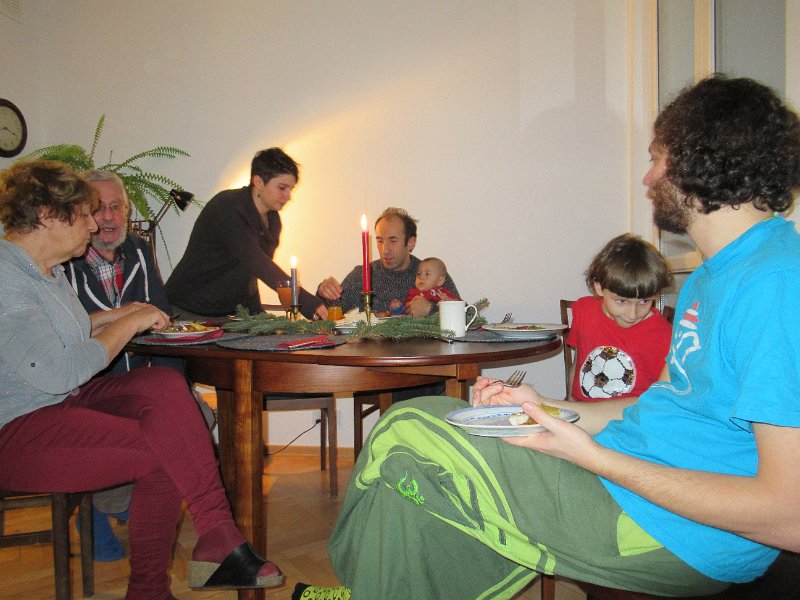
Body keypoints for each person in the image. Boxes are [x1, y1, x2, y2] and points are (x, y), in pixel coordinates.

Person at [294, 75, 800, 600]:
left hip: (672, 532)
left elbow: (789, 516)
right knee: (419, 467)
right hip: (628, 477)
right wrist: (545, 408)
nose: (648, 177)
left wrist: (591, 457)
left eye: (657, 158)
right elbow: (657, 404)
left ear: (698, 158)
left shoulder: (776, 282)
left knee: (404, 428)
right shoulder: (711, 277)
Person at [0, 161, 283, 599]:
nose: (94, 224)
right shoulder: (7, 279)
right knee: (165, 452)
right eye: (84, 213)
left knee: (165, 386)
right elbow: (57, 371)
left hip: (59, 403)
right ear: (46, 216)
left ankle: (217, 534)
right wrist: (128, 325)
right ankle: (152, 589)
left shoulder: (42, 271)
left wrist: (119, 313)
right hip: (17, 431)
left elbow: (67, 332)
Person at [65, 169, 214, 562]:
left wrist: (177, 391)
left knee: (196, 417)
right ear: (81, 214)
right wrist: (124, 318)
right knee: (130, 430)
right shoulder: (66, 261)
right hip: (90, 384)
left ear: (127, 212)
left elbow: (160, 321)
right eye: (98, 208)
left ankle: (122, 504)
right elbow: (68, 336)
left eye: (116, 207)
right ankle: (104, 507)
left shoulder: (138, 250)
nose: (108, 217)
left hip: (144, 379)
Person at [166, 147, 327, 321]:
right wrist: (307, 302)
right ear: (258, 182)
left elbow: (251, 274)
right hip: (185, 311)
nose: (288, 196)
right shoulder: (227, 207)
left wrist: (257, 315)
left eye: (291, 189)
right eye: (282, 188)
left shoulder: (273, 220)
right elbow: (258, 263)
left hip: (228, 316)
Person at [567, 233, 673, 401]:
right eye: (621, 301)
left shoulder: (664, 335)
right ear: (599, 287)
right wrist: (570, 402)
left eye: (644, 301)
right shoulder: (583, 310)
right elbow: (578, 364)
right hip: (580, 412)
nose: (632, 315)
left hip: (628, 416)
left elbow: (662, 399)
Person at [317, 207, 460, 317]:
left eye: (393, 241)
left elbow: (467, 318)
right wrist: (324, 294)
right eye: (380, 241)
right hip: (372, 347)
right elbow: (326, 316)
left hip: (422, 348)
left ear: (411, 242)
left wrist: (431, 310)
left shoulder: (432, 274)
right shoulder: (363, 274)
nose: (385, 250)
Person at [389, 256, 461, 315]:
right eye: (419, 274)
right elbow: (404, 314)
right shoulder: (412, 294)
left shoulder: (442, 293)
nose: (421, 277)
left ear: (440, 281)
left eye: (427, 274)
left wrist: (452, 302)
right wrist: (397, 308)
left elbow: (462, 309)